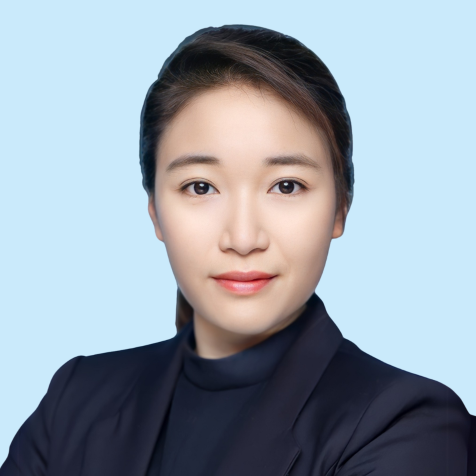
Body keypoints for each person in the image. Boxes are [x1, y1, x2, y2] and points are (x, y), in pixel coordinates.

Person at [1, 24, 474, 476]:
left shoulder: (408, 425)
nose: (243, 238)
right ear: (154, 211)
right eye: (200, 187)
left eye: (286, 186)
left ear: (340, 207)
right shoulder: (75, 401)